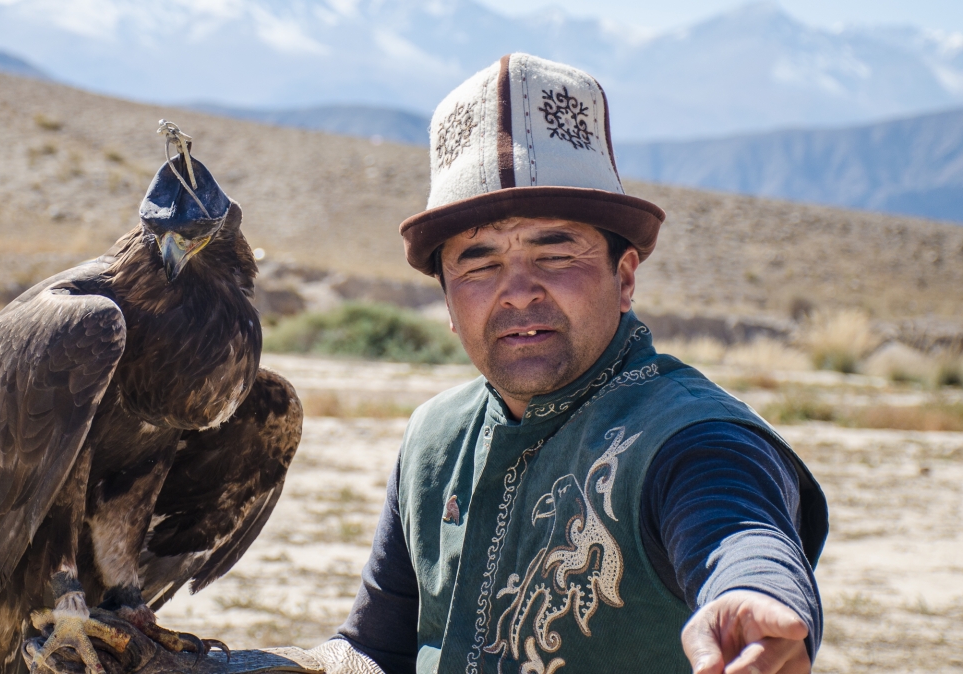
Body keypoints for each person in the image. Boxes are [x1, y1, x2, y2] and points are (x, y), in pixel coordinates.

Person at [315, 54, 828, 674]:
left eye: (555, 251)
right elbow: (376, 650)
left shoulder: (685, 433)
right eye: (478, 263)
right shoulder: (435, 438)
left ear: (625, 276)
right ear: (447, 300)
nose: (519, 290)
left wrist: (752, 595)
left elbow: (736, 528)